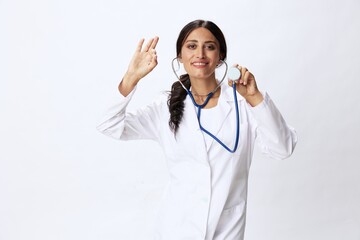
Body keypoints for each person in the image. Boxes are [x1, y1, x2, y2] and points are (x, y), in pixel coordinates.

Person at [97, 19, 297, 240]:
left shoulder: (243, 104)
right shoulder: (164, 108)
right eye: (191, 46)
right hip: (174, 230)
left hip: (226, 232)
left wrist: (255, 98)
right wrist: (130, 78)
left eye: (209, 46)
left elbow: (283, 148)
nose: (200, 53)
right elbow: (108, 125)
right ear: (180, 57)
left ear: (220, 57)